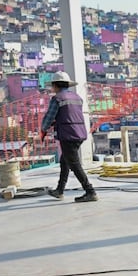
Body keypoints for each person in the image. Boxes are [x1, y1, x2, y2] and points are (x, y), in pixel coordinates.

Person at [40, 71, 98, 203]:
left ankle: (90, 191)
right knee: (64, 161)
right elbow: (70, 115)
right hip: (79, 133)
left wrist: (43, 129)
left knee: (74, 164)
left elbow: (49, 117)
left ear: (55, 85)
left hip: (67, 135)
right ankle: (59, 190)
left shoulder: (57, 99)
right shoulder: (77, 97)